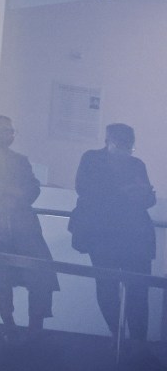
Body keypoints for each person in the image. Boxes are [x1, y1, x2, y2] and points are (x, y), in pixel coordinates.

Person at [0, 115, 58, 336]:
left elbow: (33, 187)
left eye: (10, 131)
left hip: (23, 224)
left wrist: (16, 197)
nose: (9, 135)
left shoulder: (20, 160)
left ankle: (36, 326)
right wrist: (11, 192)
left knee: (40, 271)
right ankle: (9, 325)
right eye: (4, 130)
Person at [69, 123, 156, 342]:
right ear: (109, 141)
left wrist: (141, 194)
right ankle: (119, 337)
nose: (127, 150)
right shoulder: (91, 158)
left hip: (131, 235)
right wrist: (125, 193)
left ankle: (136, 342)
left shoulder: (136, 164)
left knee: (137, 289)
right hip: (103, 235)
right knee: (108, 287)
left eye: (130, 147)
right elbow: (84, 189)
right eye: (123, 145)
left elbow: (148, 198)